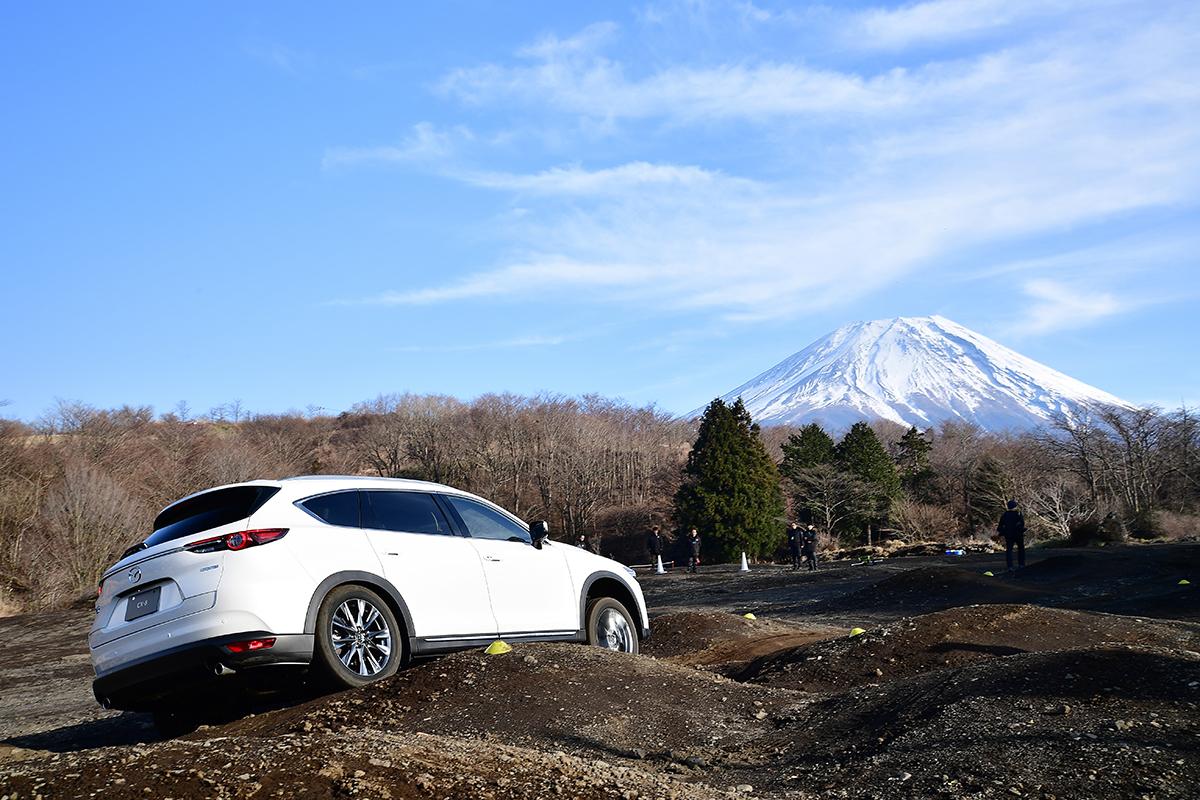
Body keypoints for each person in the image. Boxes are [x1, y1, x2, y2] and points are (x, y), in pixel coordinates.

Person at [997, 499, 1026, 571]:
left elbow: (1000, 526)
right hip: (1018, 534)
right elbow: (1021, 524)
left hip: (1009, 535)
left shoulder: (1004, 515)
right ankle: (1021, 564)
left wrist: (1003, 532)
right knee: (1021, 549)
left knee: (1009, 550)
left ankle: (1010, 566)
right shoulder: (1018, 514)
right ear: (1015, 506)